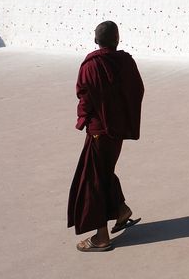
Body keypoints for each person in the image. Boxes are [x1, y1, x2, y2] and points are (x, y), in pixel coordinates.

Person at [68, 20, 145, 252]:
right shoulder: (126, 62)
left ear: (95, 40)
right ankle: (121, 210)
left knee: (93, 181)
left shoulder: (91, 65)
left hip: (99, 132)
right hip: (117, 131)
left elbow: (85, 96)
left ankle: (101, 237)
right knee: (103, 171)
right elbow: (137, 90)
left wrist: (84, 119)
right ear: (117, 39)